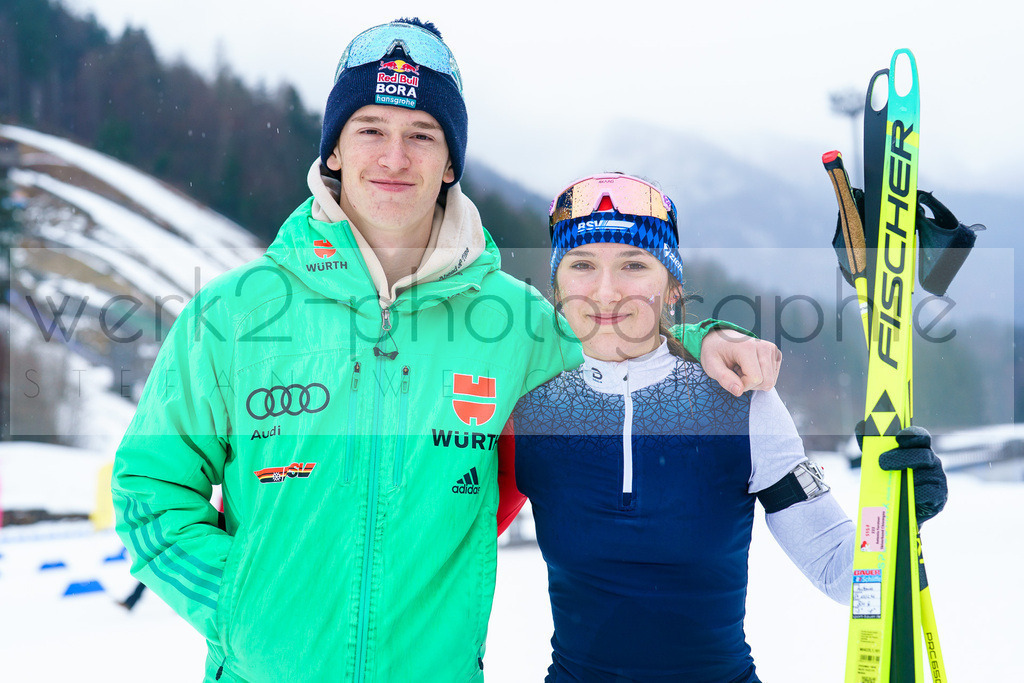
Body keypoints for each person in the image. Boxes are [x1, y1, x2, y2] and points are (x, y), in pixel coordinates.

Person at [111, 21, 780, 682]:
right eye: (371, 129)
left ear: (450, 160)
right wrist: (240, 610)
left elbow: (620, 335)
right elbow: (150, 490)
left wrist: (702, 335)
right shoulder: (233, 314)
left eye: (420, 135)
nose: (395, 157)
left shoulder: (513, 322)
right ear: (335, 151)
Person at [506, 173, 948, 683]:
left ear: (672, 287)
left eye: (634, 264)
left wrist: (898, 515)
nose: (607, 291)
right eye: (582, 265)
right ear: (556, 284)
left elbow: (839, 570)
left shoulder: (739, 397)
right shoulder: (526, 404)